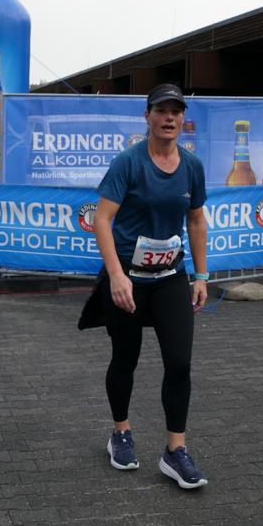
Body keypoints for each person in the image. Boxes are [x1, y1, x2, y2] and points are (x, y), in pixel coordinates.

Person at [87, 83, 210, 490]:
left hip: (170, 276)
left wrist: (201, 275)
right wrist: (116, 275)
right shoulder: (128, 162)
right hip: (128, 277)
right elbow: (102, 219)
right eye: (161, 110)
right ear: (148, 116)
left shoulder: (192, 166)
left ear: (182, 118)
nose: (169, 117)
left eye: (176, 110)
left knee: (179, 363)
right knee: (125, 360)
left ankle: (175, 451)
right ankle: (120, 433)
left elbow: (196, 220)